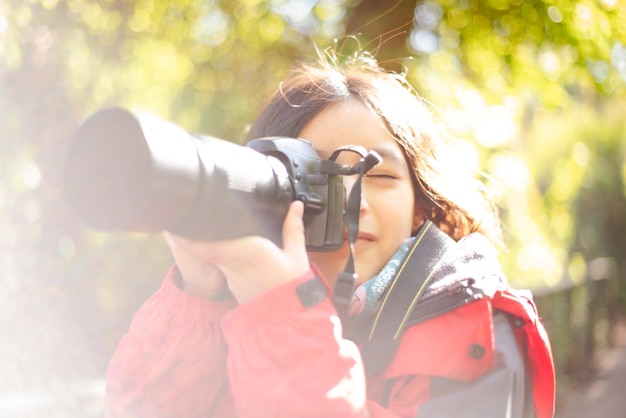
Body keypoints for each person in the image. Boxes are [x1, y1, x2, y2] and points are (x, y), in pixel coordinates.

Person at [104, 50, 555, 418]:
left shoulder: (479, 327)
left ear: (421, 205)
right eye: (317, 175)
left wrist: (280, 313)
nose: (351, 200)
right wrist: (198, 298)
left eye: (377, 175)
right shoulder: (228, 311)